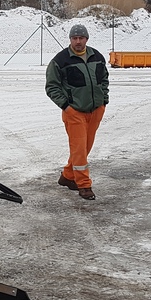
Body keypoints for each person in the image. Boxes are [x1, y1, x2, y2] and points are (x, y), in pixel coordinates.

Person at [45, 23, 109, 200]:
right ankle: (84, 185)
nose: (78, 41)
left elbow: (104, 79)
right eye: (75, 38)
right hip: (74, 112)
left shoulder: (97, 56)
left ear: (86, 39)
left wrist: (104, 100)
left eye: (81, 38)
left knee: (85, 147)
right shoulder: (60, 60)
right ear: (70, 39)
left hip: (96, 109)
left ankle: (67, 176)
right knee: (79, 148)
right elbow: (52, 86)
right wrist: (66, 106)